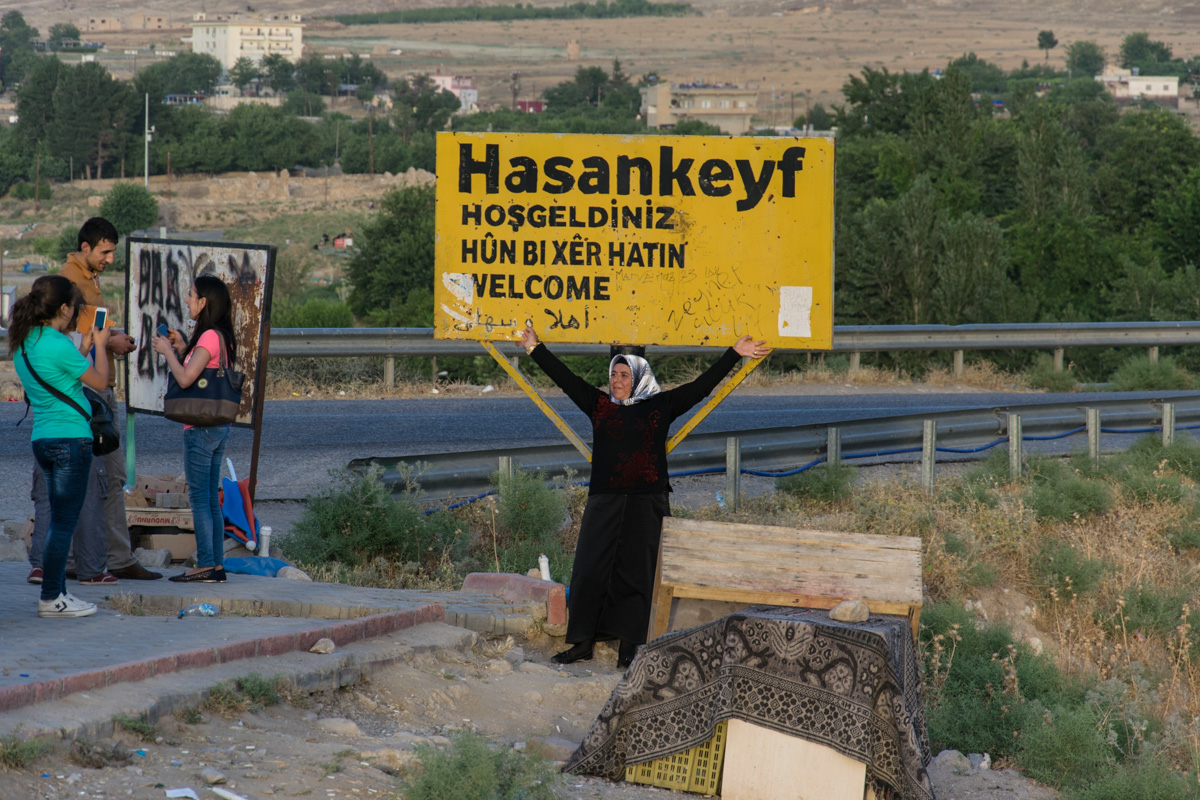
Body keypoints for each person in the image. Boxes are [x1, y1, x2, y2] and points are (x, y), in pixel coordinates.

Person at [518, 325, 771, 667]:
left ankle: (629, 646)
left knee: (636, 575)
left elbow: (701, 388)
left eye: (624, 375)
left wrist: (733, 354)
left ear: (638, 377)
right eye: (613, 375)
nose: (616, 381)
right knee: (589, 571)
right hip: (604, 499)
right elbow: (566, 378)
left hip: (646, 501)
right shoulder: (599, 406)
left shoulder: (660, 406)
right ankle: (581, 643)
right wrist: (535, 348)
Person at [50, 216, 162, 582]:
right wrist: (108, 340)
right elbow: (69, 337)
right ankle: (101, 558)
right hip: (86, 393)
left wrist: (112, 336)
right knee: (97, 480)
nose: (110, 259)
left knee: (108, 479)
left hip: (98, 389)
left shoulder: (89, 279)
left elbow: (91, 328)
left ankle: (111, 556)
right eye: (105, 251)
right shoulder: (68, 282)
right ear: (86, 247)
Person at [10, 275, 112, 617]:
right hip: (71, 441)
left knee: (56, 520)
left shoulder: (26, 342)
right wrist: (100, 345)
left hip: (44, 439)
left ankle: (58, 594)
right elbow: (100, 381)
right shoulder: (56, 342)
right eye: (74, 308)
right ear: (64, 308)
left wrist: (81, 347)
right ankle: (52, 598)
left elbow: (59, 375)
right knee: (63, 525)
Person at [154, 275, 238, 583]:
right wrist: (183, 346)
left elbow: (187, 378)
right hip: (218, 425)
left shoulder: (210, 336)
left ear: (204, 302)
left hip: (200, 428)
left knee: (200, 498)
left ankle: (205, 564)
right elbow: (204, 366)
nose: (187, 300)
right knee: (210, 499)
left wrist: (168, 352)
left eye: (191, 296)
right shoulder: (222, 336)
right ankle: (215, 565)